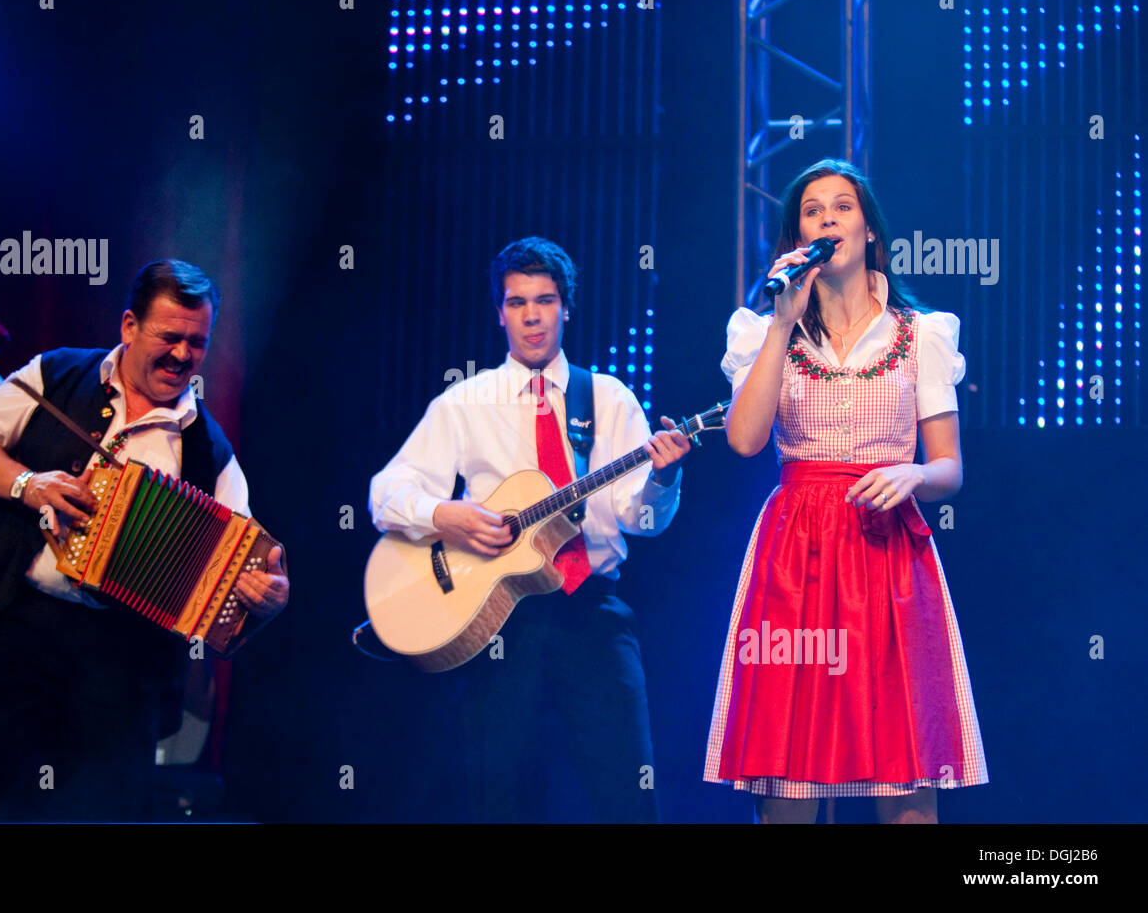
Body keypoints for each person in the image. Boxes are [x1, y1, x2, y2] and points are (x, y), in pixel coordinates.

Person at [0, 259, 289, 820]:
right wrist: (27, 484)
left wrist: (268, 599)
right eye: (169, 337)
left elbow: (246, 568)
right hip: (11, 626)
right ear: (129, 326)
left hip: (123, 662)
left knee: (99, 810)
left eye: (196, 343)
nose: (182, 355)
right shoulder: (56, 374)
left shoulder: (209, 451)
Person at [703, 159, 988, 823]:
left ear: (867, 230)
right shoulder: (763, 331)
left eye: (842, 206)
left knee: (906, 773)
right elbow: (744, 441)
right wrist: (781, 323)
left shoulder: (921, 335)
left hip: (889, 554)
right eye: (811, 209)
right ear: (796, 238)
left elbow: (949, 467)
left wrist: (913, 474)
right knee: (790, 782)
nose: (827, 217)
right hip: (795, 552)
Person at [369, 236, 691, 822]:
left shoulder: (609, 397)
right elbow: (386, 496)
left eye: (545, 301)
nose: (533, 316)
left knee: (628, 791)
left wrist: (663, 481)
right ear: (500, 312)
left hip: (593, 612)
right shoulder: (465, 402)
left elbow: (638, 521)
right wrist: (450, 516)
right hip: (499, 620)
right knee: (495, 798)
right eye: (518, 303)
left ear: (567, 307)